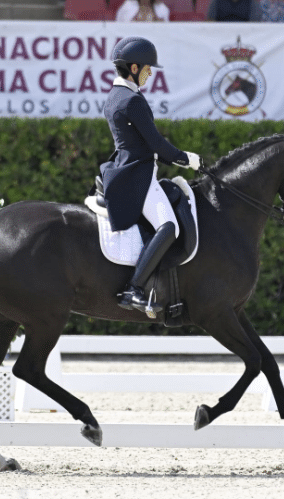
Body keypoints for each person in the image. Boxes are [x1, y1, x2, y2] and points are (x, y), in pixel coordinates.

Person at [101, 37, 202, 317]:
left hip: (128, 167)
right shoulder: (132, 100)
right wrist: (186, 158)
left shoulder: (115, 96)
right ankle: (134, 288)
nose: (150, 73)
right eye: (147, 68)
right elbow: (156, 144)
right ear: (133, 68)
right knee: (169, 226)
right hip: (137, 174)